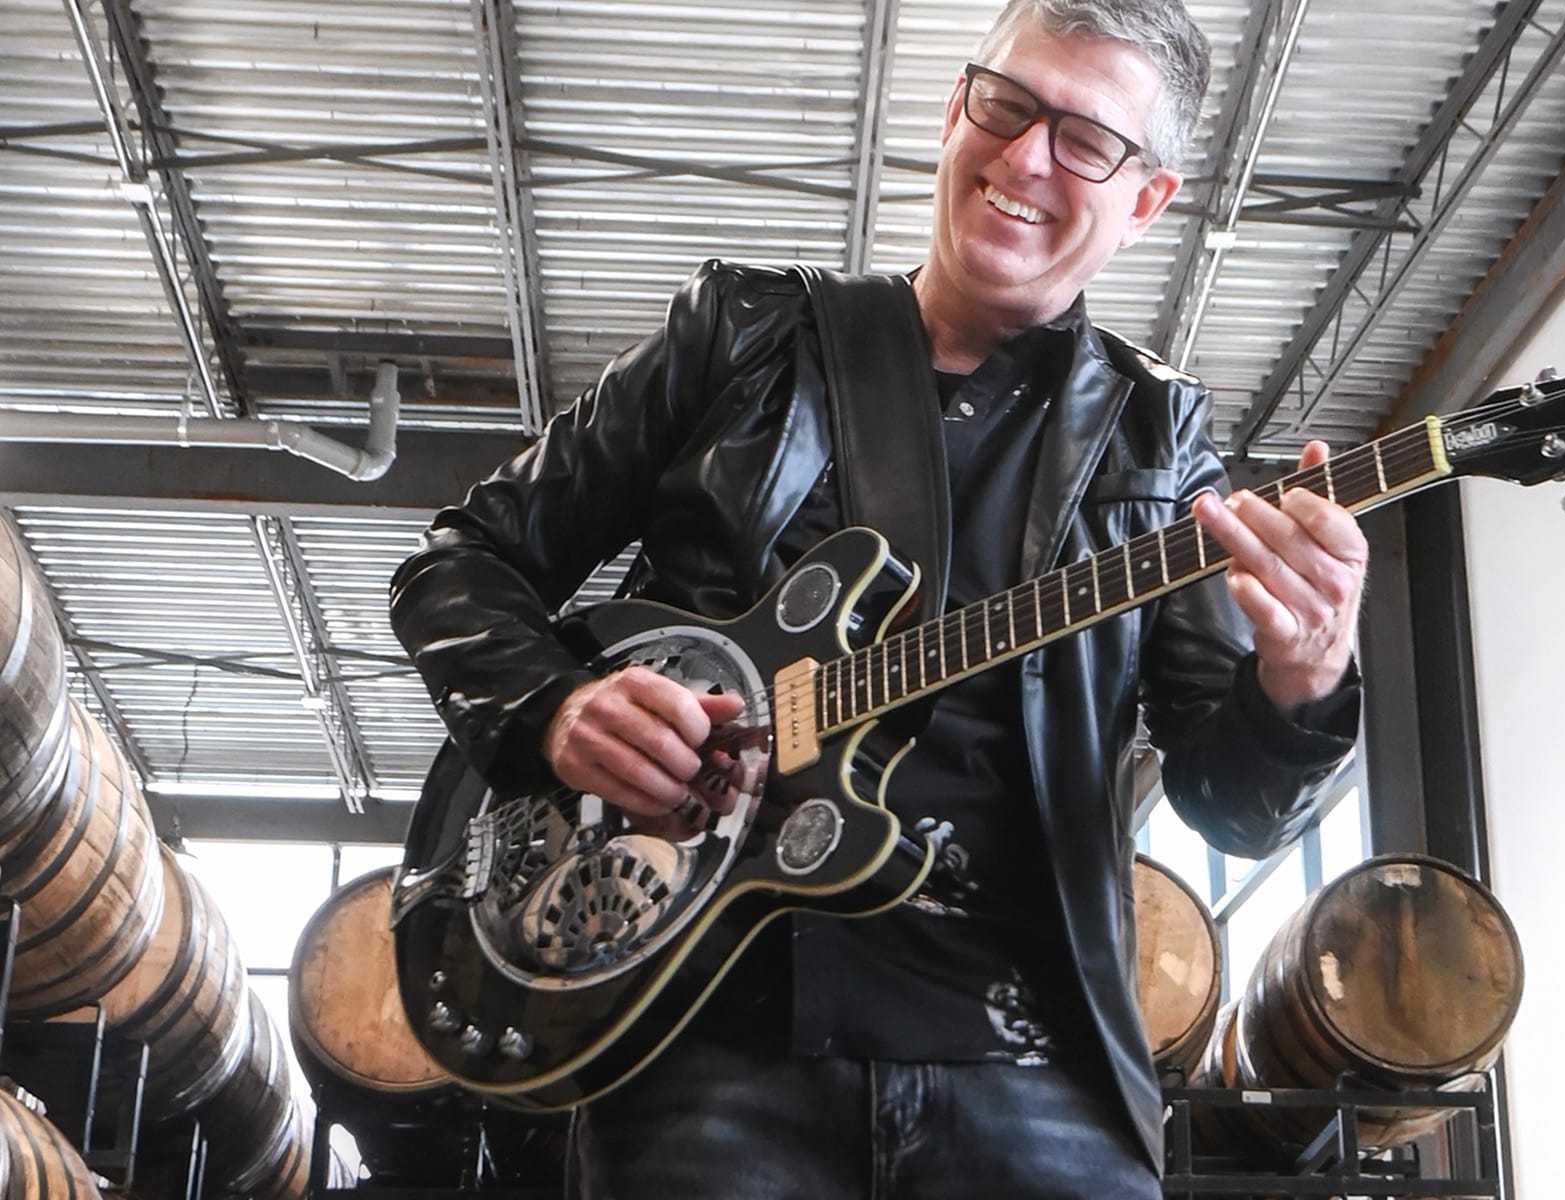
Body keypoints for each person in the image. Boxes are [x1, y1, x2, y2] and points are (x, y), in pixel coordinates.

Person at [388, 0, 1367, 1195]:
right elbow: (461, 563)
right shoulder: (742, 339)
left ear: (1146, 201)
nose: (1024, 159)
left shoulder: (1161, 446)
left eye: (1086, 140)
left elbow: (1236, 811)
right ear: (956, 108)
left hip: (1038, 1079)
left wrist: (1304, 677)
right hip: (712, 1051)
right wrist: (552, 707)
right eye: (1006, 107)